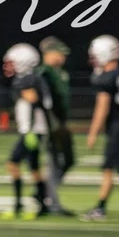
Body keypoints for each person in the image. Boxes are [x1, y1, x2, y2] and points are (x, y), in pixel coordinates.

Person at [81, 35, 119, 221]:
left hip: (114, 125)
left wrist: (93, 132)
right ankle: (101, 206)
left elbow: (102, 108)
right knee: (109, 167)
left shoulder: (107, 78)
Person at [1, 43, 52, 220]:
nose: (9, 66)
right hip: (36, 129)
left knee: (12, 164)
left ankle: (18, 205)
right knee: (35, 168)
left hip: (32, 130)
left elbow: (33, 102)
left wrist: (29, 130)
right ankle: (43, 205)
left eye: (12, 62)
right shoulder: (34, 78)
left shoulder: (27, 80)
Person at [35, 37, 74, 215]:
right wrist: (52, 124)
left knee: (68, 160)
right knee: (53, 162)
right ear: (49, 53)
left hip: (61, 123)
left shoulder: (60, 73)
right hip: (51, 123)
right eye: (59, 53)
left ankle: (43, 193)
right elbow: (45, 103)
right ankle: (52, 203)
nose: (63, 57)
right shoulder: (44, 73)